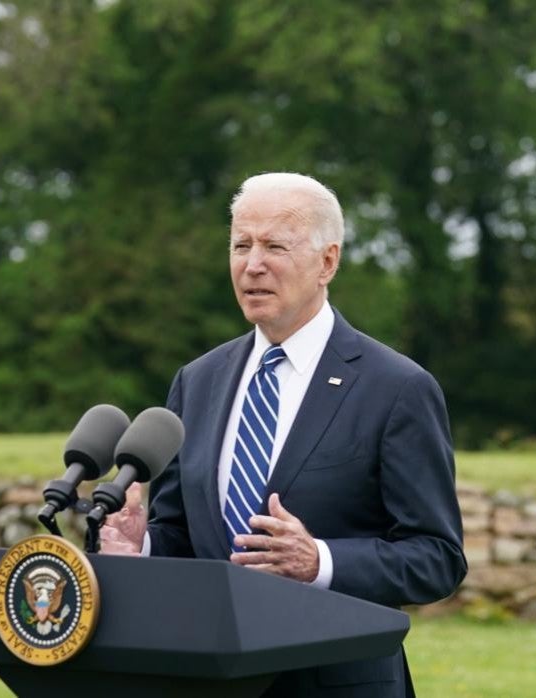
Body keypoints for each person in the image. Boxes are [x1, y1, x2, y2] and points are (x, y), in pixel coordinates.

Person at [100, 172, 467, 697]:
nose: (252, 265)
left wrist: (321, 562)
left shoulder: (397, 388)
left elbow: (437, 557)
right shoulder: (197, 380)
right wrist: (143, 544)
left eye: (275, 245)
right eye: (240, 245)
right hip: (211, 678)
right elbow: (188, 538)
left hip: (337, 681)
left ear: (328, 262)